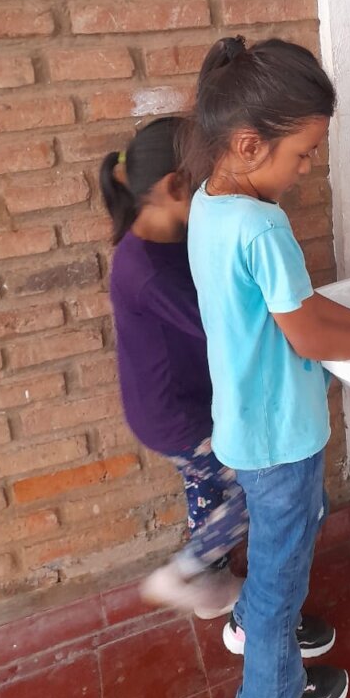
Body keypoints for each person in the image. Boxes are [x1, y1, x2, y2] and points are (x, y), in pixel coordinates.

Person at [179, 36, 350, 698]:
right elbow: (313, 333)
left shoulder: (210, 205)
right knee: (281, 582)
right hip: (282, 436)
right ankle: (273, 687)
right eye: (302, 153)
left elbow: (296, 311)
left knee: (287, 533)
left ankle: (248, 619)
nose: (308, 167)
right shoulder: (262, 228)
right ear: (246, 144)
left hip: (247, 423)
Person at [100, 116, 250, 619]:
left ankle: (208, 582)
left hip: (167, 407)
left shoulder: (160, 241)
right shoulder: (145, 269)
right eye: (207, 184)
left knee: (207, 486)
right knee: (259, 487)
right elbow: (221, 326)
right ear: (173, 187)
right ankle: (184, 571)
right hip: (179, 416)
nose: (216, 193)